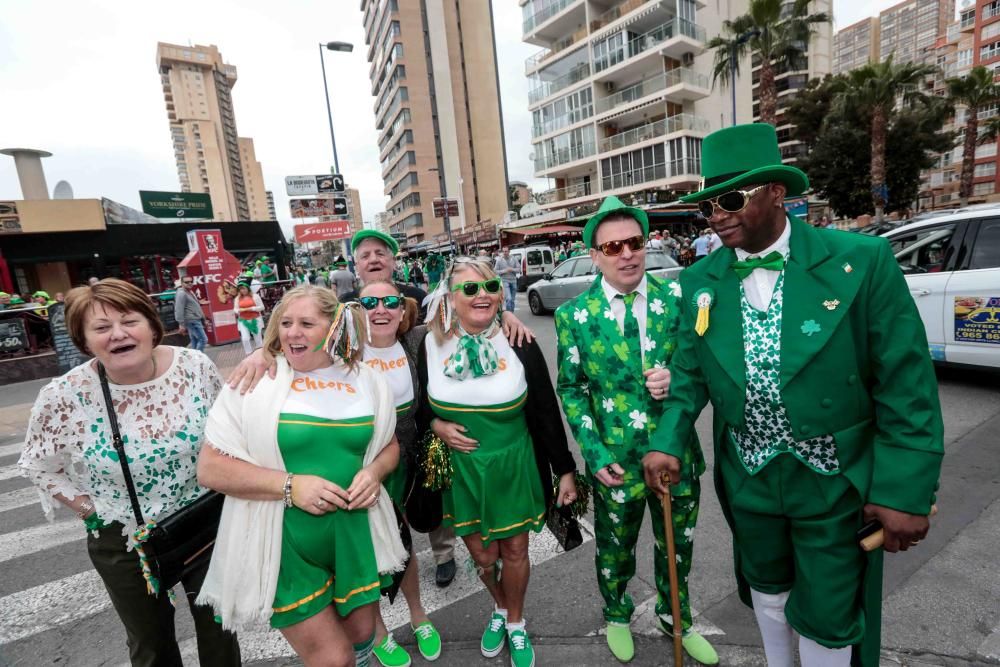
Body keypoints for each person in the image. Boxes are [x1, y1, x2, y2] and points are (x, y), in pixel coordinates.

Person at [643, 123, 944, 667]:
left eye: (731, 200)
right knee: (769, 591)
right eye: (708, 205)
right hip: (751, 479)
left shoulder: (863, 260)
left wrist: (906, 488)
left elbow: (905, 382)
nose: (717, 215)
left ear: (775, 193)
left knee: (828, 611)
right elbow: (688, 373)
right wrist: (667, 439)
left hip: (832, 478)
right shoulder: (699, 281)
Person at [18, 278, 240, 667]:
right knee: (151, 646)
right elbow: (39, 465)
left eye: (129, 321)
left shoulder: (194, 366)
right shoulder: (64, 395)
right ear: (85, 340)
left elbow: (228, 431)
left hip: (203, 523)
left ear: (151, 326)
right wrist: (92, 511)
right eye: (102, 328)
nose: (118, 334)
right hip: (124, 539)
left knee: (220, 631)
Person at [196, 285, 407, 667]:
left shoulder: (366, 379)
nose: (293, 332)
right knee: (332, 658)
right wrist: (291, 486)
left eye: (307, 323)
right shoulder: (257, 379)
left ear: (335, 328)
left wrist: (375, 472)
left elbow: (389, 446)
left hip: (354, 533)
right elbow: (210, 468)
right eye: (286, 323)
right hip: (283, 541)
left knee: (362, 639)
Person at [554, 196, 718, 665]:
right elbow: (572, 389)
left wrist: (678, 379)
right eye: (612, 247)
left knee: (677, 546)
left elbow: (703, 367)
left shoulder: (678, 301)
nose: (626, 254)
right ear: (595, 255)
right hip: (615, 461)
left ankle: (676, 617)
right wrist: (594, 452)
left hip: (675, 453)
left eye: (634, 242)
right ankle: (617, 613)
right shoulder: (574, 317)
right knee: (614, 547)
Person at [418, 256, 578, 667]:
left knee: (515, 550)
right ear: (450, 297)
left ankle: (516, 621)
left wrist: (564, 470)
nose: (481, 295)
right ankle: (501, 609)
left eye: (489, 287)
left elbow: (545, 410)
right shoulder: (429, 343)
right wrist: (436, 424)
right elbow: (419, 406)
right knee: (484, 556)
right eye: (469, 289)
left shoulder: (519, 341)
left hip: (513, 463)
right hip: (463, 471)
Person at [173, 275, 208, 352]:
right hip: (192, 320)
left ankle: (193, 360)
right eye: (187, 282)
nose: (190, 283)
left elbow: (193, 305)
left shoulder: (190, 291)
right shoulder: (181, 294)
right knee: (203, 340)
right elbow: (179, 309)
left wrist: (203, 317)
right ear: (182, 283)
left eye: (191, 281)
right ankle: (197, 358)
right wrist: (181, 324)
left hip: (194, 319)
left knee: (195, 341)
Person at [233, 279, 264, 355]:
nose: (242, 290)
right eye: (240, 289)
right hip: (243, 320)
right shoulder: (237, 298)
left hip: (255, 320)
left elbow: (262, 307)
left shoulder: (255, 296)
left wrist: (252, 308)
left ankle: (260, 354)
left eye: (243, 288)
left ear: (247, 288)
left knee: (258, 339)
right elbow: (235, 309)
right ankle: (249, 354)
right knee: (245, 339)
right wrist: (239, 310)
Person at [493, 246, 521, 312]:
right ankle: (510, 315)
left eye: (506, 251)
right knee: (508, 299)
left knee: (512, 300)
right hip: (505, 280)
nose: (505, 253)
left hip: (513, 281)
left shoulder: (514, 259)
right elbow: (495, 271)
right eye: (504, 251)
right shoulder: (499, 260)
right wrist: (504, 271)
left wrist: (512, 269)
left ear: (509, 251)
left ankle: (511, 314)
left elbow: (519, 269)